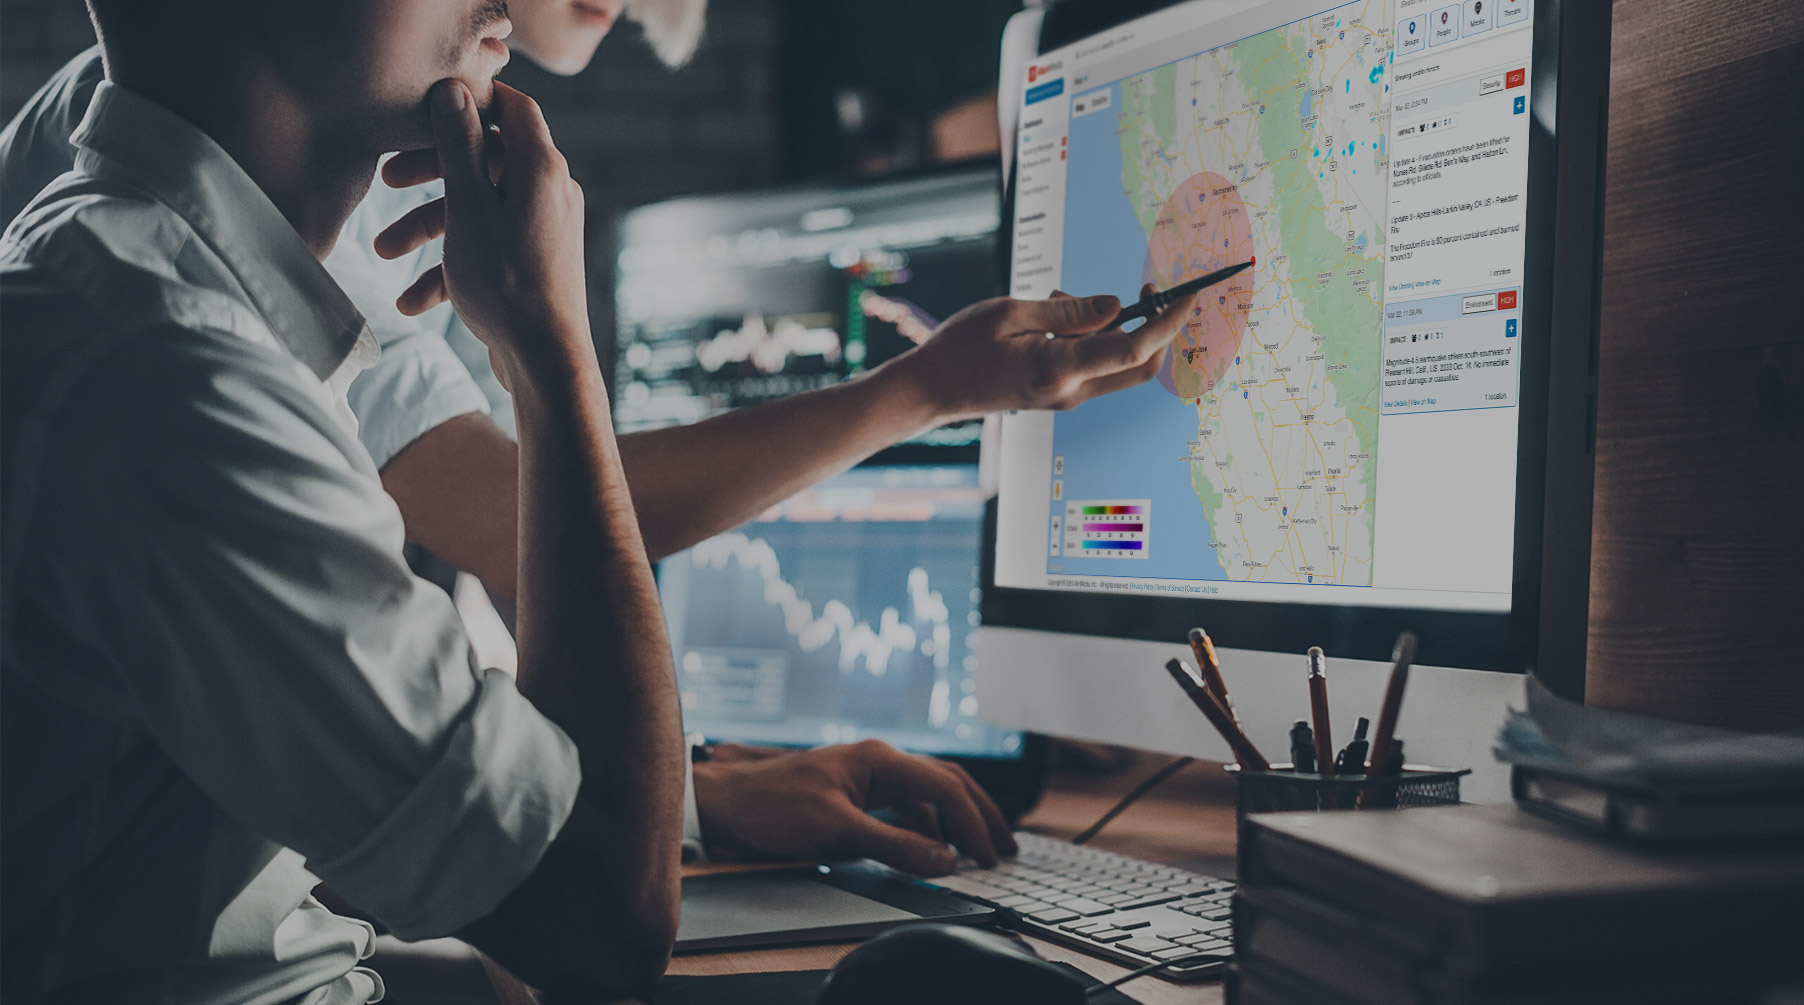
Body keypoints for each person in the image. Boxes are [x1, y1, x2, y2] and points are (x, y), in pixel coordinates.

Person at [0, 1, 1195, 1001]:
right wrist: (549, 345)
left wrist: (697, 802)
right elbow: (603, 930)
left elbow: (271, 765)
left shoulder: (186, 289)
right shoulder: (172, 374)